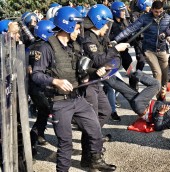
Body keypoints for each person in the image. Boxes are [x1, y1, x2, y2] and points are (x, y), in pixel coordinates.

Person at [31, 6, 116, 171]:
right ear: (68, 25)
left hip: (78, 99)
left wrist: (93, 71)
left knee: (95, 130)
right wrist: (55, 81)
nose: (80, 30)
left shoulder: (74, 46)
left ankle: (95, 159)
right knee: (66, 144)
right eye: (77, 27)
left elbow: (81, 68)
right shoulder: (46, 47)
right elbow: (36, 74)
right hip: (59, 102)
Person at [78, 4, 129, 168]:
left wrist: (112, 49)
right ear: (98, 22)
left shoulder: (98, 38)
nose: (107, 27)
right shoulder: (88, 39)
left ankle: (90, 149)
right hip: (88, 84)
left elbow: (104, 58)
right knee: (92, 122)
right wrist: (115, 49)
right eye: (106, 23)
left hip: (96, 82)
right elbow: (98, 59)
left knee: (105, 111)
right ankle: (94, 158)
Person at [105, 70, 170, 131]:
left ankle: (135, 73)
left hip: (142, 107)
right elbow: (161, 104)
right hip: (143, 103)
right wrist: (162, 95)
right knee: (122, 86)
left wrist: (161, 113)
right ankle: (104, 75)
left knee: (156, 84)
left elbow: (158, 127)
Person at [114, 1, 170, 86]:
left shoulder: (168, 18)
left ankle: (162, 94)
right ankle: (156, 95)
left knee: (165, 75)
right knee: (157, 73)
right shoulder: (145, 18)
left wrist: (167, 34)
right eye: (156, 12)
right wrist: (116, 40)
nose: (158, 14)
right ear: (152, 10)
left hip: (162, 49)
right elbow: (130, 29)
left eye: (160, 11)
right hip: (148, 50)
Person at [28, 20, 56, 152]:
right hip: (40, 86)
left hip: (34, 86)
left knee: (44, 112)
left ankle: (39, 135)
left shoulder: (31, 46)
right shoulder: (43, 47)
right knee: (46, 110)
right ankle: (32, 141)